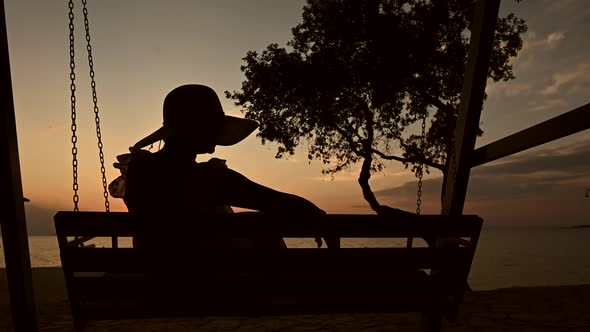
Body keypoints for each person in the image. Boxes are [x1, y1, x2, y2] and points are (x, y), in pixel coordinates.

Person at [112, 84, 331, 251]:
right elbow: (277, 201)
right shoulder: (210, 179)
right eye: (212, 130)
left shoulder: (140, 171)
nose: (215, 141)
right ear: (198, 130)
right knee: (261, 227)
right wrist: (318, 215)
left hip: (157, 284)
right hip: (205, 287)